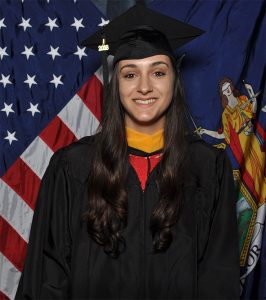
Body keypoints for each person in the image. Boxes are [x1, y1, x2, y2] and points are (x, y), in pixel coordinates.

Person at [15, 4, 239, 299]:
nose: (144, 87)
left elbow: (218, 281)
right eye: (130, 74)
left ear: (174, 79)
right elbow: (47, 279)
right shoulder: (73, 168)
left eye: (158, 72)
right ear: (116, 84)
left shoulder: (207, 168)